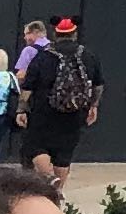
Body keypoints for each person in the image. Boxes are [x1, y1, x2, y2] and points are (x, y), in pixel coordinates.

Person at [14, 20, 97, 180]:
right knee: (64, 152)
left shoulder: (43, 56)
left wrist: (21, 109)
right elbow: (98, 84)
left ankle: (49, 178)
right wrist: (93, 106)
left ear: (55, 35)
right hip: (75, 112)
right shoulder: (87, 56)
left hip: (44, 112)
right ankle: (58, 191)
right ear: (75, 34)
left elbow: (28, 86)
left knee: (35, 146)